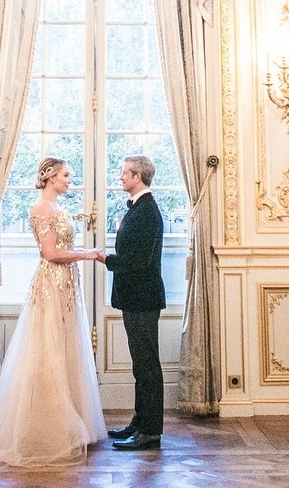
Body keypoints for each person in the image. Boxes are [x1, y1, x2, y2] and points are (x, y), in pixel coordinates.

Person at [0, 157, 107, 466]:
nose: (69, 180)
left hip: (68, 285)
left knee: (67, 348)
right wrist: (88, 254)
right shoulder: (41, 209)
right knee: (49, 351)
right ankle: (48, 427)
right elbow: (50, 252)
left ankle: (75, 424)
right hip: (51, 285)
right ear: (49, 178)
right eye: (66, 175)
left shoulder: (58, 209)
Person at [94, 154, 165, 451]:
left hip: (143, 299)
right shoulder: (139, 208)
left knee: (148, 366)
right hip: (134, 298)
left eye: (124, 173)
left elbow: (139, 261)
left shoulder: (147, 211)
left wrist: (106, 258)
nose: (121, 177)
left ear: (138, 176)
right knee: (141, 365)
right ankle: (140, 422)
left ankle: (150, 432)